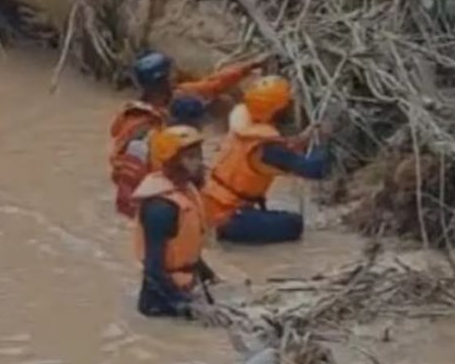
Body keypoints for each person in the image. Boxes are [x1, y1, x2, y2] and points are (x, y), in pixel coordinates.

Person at [109, 50, 268, 217]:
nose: (175, 75)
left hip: (175, 167)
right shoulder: (140, 126)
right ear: (161, 81)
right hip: (153, 183)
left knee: (223, 102)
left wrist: (248, 67)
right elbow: (128, 173)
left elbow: (214, 84)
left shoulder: (178, 96)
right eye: (170, 74)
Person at [203, 75, 330, 244]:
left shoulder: (244, 127)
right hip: (228, 216)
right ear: (277, 111)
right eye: (288, 105)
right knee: (294, 224)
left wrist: (303, 139)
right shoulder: (268, 149)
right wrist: (327, 142)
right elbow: (315, 170)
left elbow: (282, 152)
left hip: (212, 205)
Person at [132, 125, 220, 319]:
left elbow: (186, 252)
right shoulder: (160, 208)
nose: (198, 163)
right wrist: (184, 304)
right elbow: (153, 271)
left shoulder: (185, 191)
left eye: (198, 155)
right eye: (190, 158)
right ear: (172, 162)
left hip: (186, 286)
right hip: (160, 304)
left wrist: (210, 277)